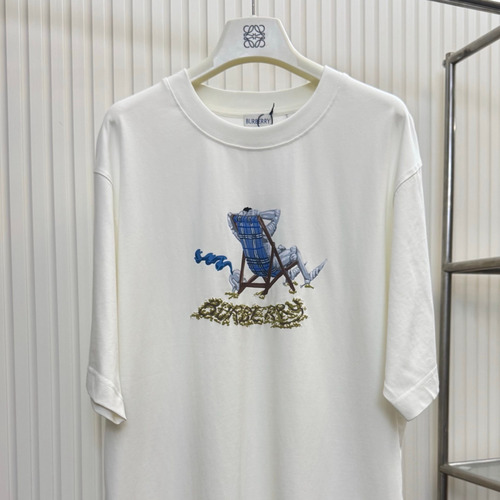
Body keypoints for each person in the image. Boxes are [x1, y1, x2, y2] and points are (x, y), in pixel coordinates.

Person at [227, 207, 326, 288]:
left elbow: (231, 223)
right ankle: (307, 278)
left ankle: (290, 275)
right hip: (270, 266)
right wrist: (258, 214)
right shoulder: (264, 234)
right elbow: (276, 213)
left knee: (281, 249)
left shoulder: (241, 237)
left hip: (255, 268)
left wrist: (238, 216)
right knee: (294, 250)